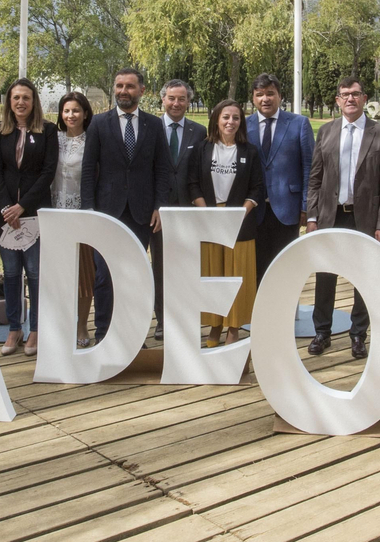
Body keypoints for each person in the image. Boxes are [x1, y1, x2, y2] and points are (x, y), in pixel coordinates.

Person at [305, 77, 380, 359]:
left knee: (365, 278)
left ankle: (359, 334)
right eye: (344, 94)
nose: (350, 99)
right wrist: (311, 217)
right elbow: (316, 178)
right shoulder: (327, 132)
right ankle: (322, 332)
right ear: (337, 100)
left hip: (365, 218)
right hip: (330, 216)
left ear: (364, 98)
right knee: (325, 275)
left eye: (355, 94)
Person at [81, 68, 172, 343]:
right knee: (105, 276)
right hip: (107, 212)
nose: (123, 91)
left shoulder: (154, 125)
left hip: (141, 213)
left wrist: (159, 206)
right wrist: (88, 210)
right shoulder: (98, 123)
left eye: (130, 86)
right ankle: (104, 334)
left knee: (134, 276)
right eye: (119, 85)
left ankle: (133, 335)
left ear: (142, 90)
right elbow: (88, 169)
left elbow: (163, 169)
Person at [187, 98, 266, 345]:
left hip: (240, 223)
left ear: (241, 122)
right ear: (216, 120)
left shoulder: (249, 152)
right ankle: (215, 325)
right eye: (226, 117)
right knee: (214, 275)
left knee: (237, 276)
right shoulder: (201, 149)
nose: (230, 122)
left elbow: (257, 189)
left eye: (236, 117)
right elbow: (192, 185)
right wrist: (209, 213)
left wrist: (238, 215)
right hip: (210, 221)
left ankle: (234, 327)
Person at [0, 78, 57, 355]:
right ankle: (14, 328)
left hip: (34, 214)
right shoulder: (0, 130)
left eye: (26, 98)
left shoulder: (48, 131)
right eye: (16, 97)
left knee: (35, 273)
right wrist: (8, 207)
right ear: (9, 101)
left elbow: (48, 172)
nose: (20, 102)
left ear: (34, 101)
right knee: (11, 273)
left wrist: (22, 207)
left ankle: (36, 330)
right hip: (5, 217)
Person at [154, 79, 206, 341]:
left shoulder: (199, 132)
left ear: (188, 102)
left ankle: (186, 318)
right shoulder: (150, 128)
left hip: (189, 209)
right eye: (171, 98)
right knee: (160, 267)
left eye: (181, 99)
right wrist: (155, 206)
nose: (176, 103)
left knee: (189, 266)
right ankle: (162, 321)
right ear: (162, 99)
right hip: (157, 213)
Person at [248, 73, 314, 280]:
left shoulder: (299, 123)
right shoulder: (243, 124)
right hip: (253, 209)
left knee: (286, 268)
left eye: (270, 93)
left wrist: (305, 206)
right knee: (256, 266)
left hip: (288, 209)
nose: (265, 99)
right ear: (253, 98)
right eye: (260, 94)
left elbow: (309, 168)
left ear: (279, 96)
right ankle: (257, 312)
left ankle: (285, 312)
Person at [50, 92, 98, 347]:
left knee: (84, 273)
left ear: (86, 113)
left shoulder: (93, 140)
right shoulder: (53, 139)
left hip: (83, 214)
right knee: (59, 273)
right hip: (56, 214)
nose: (71, 115)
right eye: (66, 111)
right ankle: (60, 324)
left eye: (76, 111)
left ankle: (81, 325)